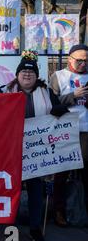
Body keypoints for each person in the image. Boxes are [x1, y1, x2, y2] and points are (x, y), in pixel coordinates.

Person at [0, 50, 69, 241]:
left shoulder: (46, 93)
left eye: (31, 72)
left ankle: (35, 227)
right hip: (11, 149)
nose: (27, 75)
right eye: (23, 72)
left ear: (37, 76)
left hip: (37, 150)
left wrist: (60, 111)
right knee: (10, 188)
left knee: (36, 189)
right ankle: (9, 225)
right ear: (17, 74)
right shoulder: (4, 91)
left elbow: (62, 116)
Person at [49, 44, 88, 223]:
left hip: (85, 131)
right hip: (65, 130)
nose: (83, 64)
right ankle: (59, 211)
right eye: (79, 60)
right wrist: (74, 95)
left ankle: (82, 211)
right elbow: (52, 105)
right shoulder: (58, 76)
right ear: (69, 59)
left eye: (86, 61)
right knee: (62, 172)